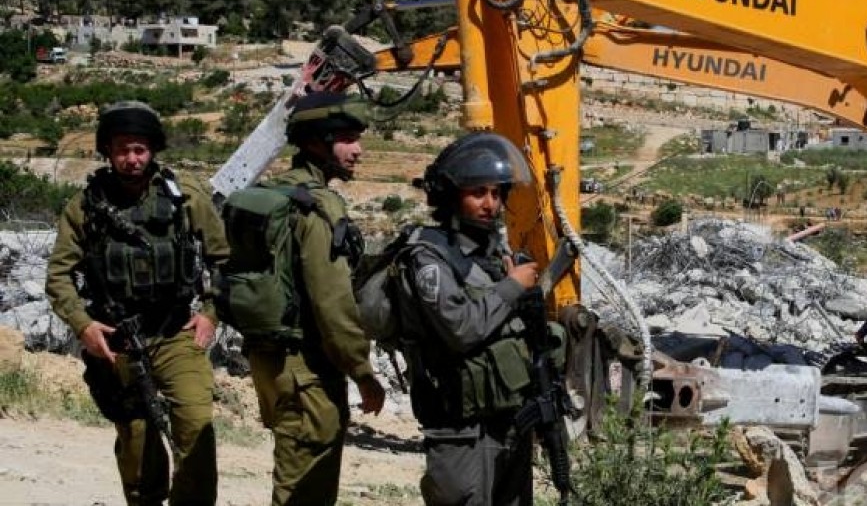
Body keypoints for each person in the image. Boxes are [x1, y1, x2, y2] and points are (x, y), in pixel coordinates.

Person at [45, 100, 227, 505]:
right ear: (107, 152)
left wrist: (211, 313)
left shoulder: (185, 198)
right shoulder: (85, 207)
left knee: (196, 426)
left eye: (140, 149)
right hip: (118, 340)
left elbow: (225, 260)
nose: (132, 159)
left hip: (175, 331)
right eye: (122, 149)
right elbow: (58, 276)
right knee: (137, 440)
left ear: (153, 150)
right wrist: (82, 325)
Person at [245, 91, 385, 505]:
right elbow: (333, 304)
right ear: (316, 143)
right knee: (305, 488)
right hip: (306, 369)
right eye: (347, 139)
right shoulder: (319, 209)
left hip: (270, 361)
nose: (358, 150)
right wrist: (362, 372)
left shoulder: (275, 194)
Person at [392, 131, 541, 505]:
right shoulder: (428, 256)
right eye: (478, 193)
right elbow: (461, 327)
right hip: (460, 428)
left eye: (496, 193)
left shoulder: (492, 254)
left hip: (507, 419)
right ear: (451, 196)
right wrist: (511, 287)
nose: (490, 204)